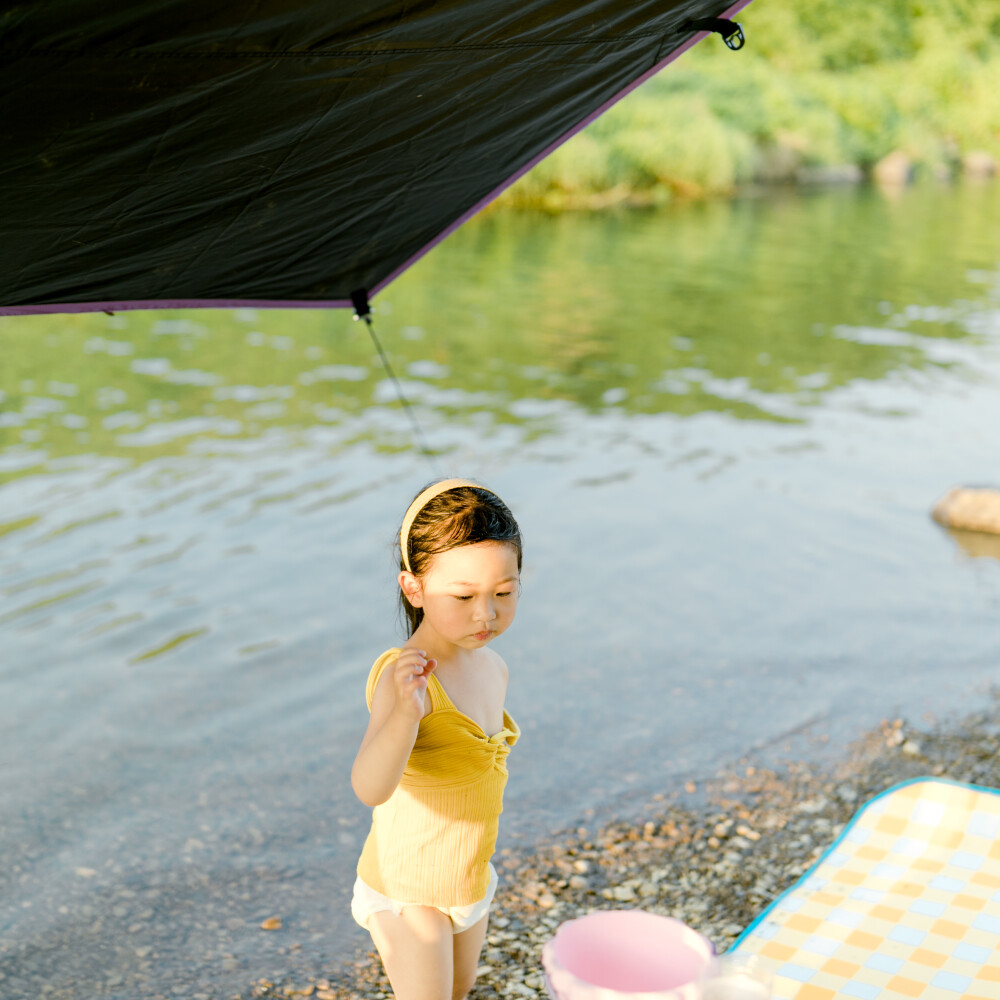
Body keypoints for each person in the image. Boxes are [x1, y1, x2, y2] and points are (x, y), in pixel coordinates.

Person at [351, 478, 523, 1000]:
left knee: (458, 991)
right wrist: (405, 715)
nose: (485, 614)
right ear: (414, 588)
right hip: (410, 886)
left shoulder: (493, 667)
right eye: (464, 596)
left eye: (504, 593)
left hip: (467, 876)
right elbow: (369, 787)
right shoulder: (404, 676)